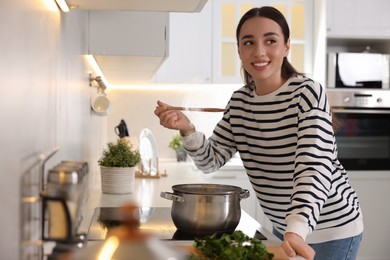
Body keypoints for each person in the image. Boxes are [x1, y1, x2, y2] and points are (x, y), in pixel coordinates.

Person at [154, 6, 363, 260]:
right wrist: (187, 128)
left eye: (270, 41)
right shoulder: (240, 102)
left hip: (330, 229)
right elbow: (210, 161)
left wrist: (296, 229)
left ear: (286, 46)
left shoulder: (307, 93)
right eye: (249, 42)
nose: (259, 51)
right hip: (286, 229)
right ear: (240, 51)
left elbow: (313, 167)